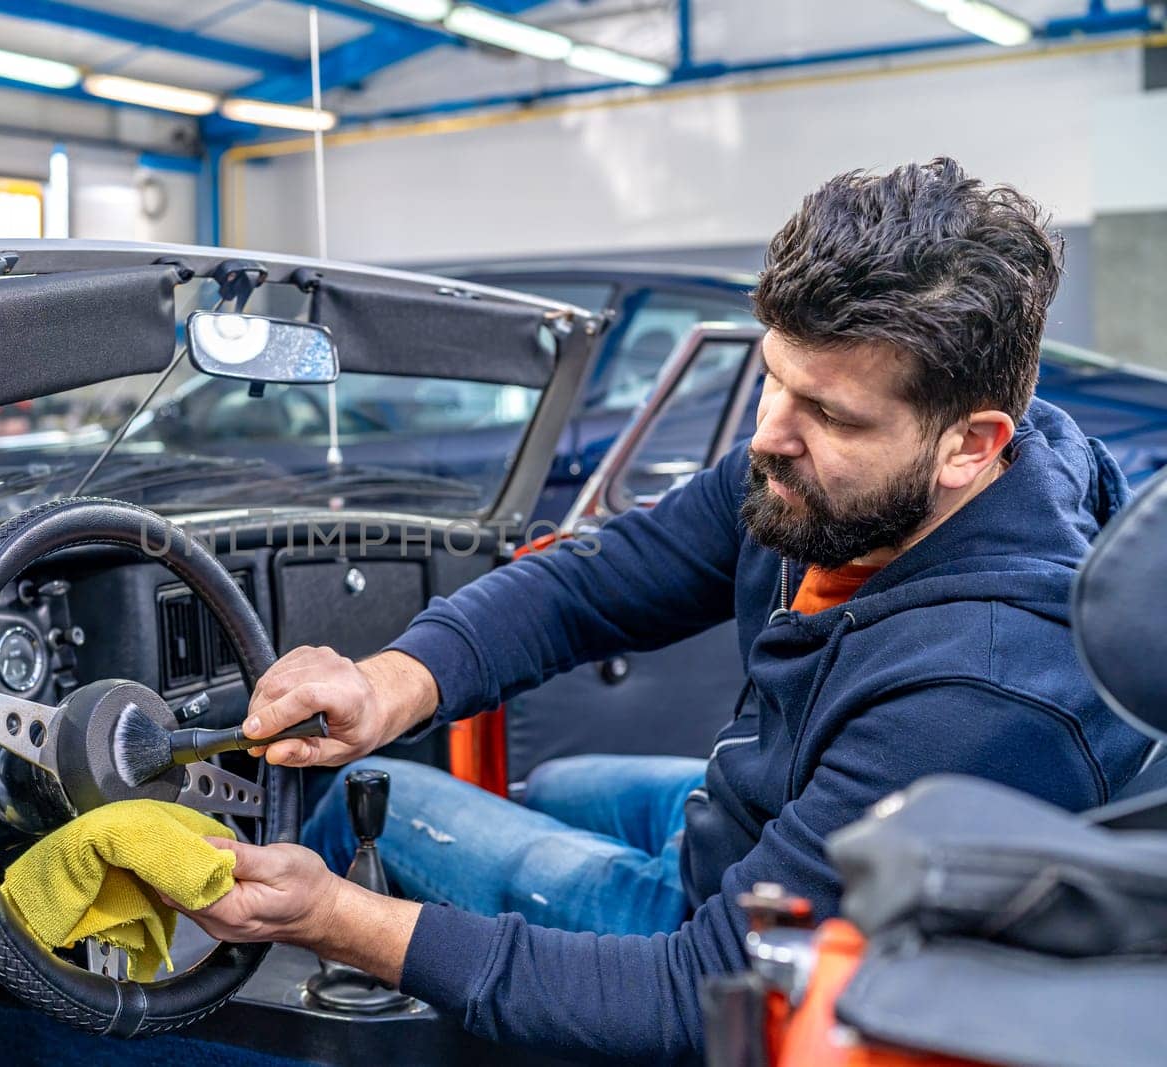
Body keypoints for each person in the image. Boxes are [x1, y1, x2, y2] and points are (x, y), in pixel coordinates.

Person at [168, 158, 1154, 1062]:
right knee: (560, 780)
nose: (769, 435)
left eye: (830, 414)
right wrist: (387, 681)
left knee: (389, 800)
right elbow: (603, 573)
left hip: (762, 949)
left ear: (969, 445)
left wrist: (342, 922)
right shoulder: (867, 475)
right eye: (774, 378)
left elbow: (708, 993)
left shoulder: (983, 691)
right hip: (769, 832)